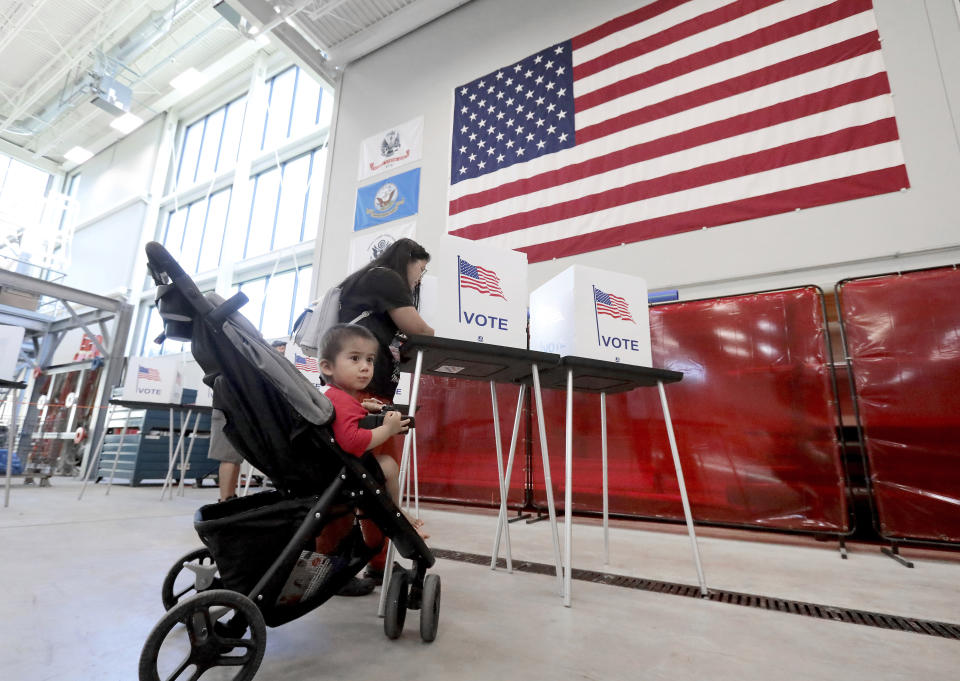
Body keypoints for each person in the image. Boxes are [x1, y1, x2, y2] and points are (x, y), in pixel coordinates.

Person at [334, 238, 435, 582]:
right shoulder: (386, 278)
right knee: (373, 480)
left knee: (369, 480)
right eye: (420, 269)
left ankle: (374, 562)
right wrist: (435, 333)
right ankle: (373, 563)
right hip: (366, 396)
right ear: (407, 259)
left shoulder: (367, 282)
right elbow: (418, 328)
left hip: (369, 395)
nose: (420, 278)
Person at [209, 338, 286, 502]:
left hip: (231, 404)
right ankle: (226, 500)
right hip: (230, 406)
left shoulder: (242, 361)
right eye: (281, 350)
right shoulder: (255, 364)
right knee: (229, 456)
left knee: (231, 457)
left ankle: (227, 500)